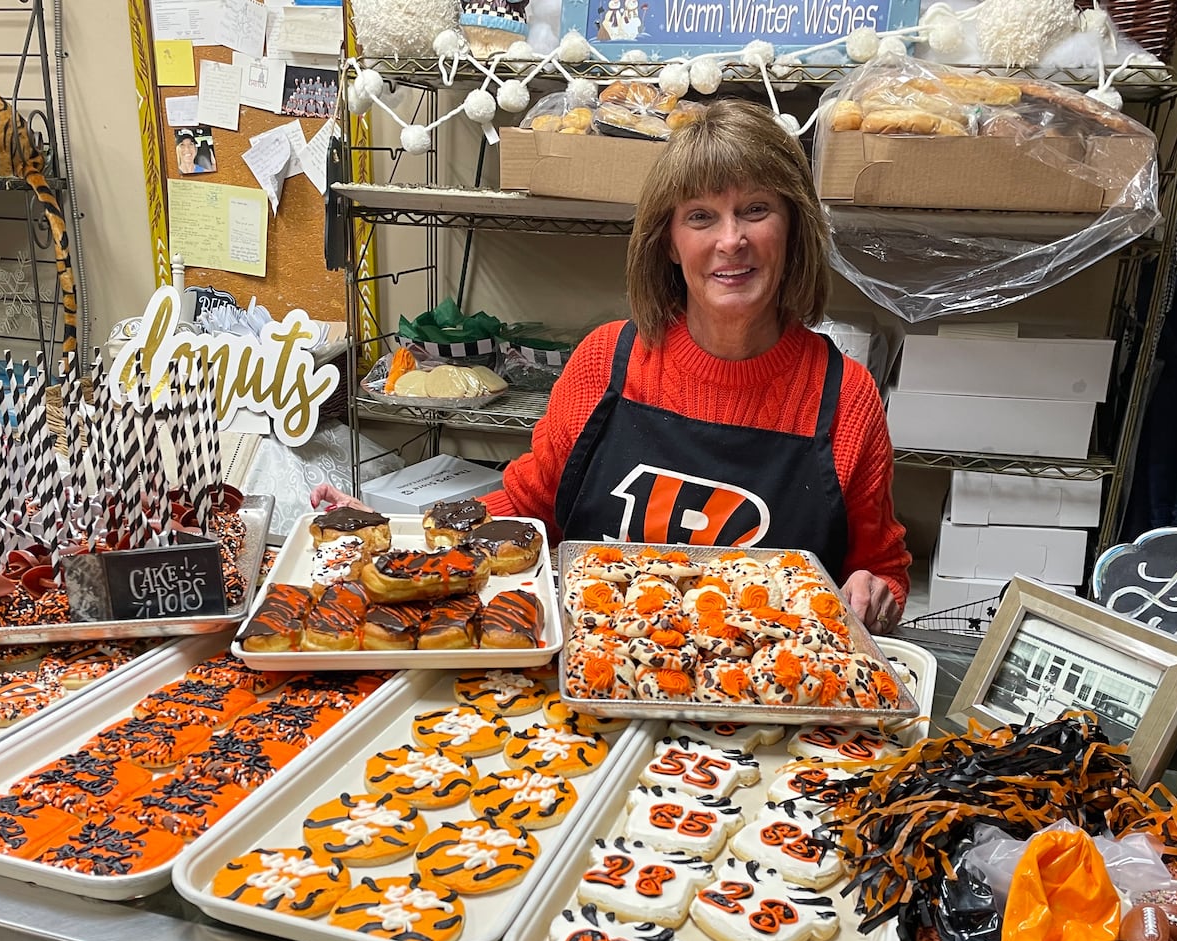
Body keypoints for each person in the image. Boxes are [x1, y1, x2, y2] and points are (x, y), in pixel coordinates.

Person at [313, 99, 910, 631]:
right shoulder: (606, 362)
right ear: (669, 244)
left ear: (792, 227)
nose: (731, 240)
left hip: (764, 706)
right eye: (700, 216)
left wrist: (875, 592)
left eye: (755, 209)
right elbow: (528, 508)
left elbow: (880, 570)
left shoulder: (846, 397)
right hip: (597, 682)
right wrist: (399, 537)